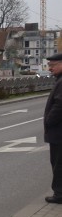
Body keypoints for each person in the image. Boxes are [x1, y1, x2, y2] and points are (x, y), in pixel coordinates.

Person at [43, 53, 62, 204]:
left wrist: (49, 121)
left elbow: (59, 105)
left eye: (53, 65)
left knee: (58, 163)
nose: (50, 68)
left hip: (59, 132)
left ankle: (59, 194)